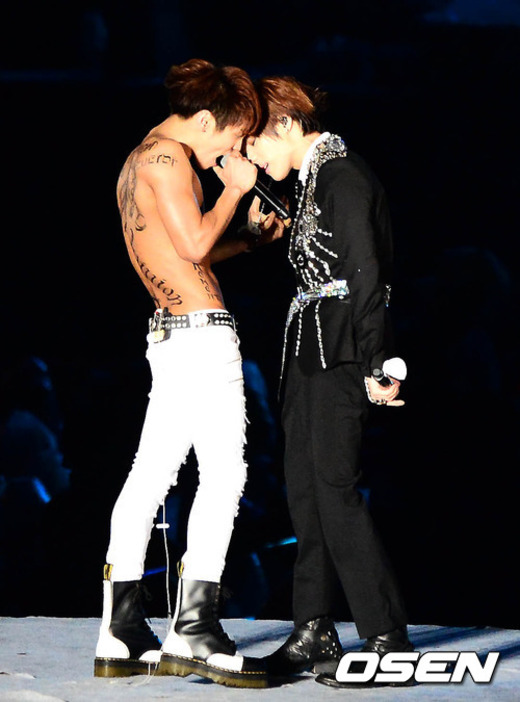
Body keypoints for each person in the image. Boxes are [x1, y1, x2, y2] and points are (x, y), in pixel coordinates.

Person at [94, 58, 271, 689]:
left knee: (151, 473)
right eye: (233, 136)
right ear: (204, 121)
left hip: (174, 333)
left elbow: (185, 248)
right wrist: (236, 190)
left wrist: (248, 239)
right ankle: (194, 628)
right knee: (225, 473)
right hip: (200, 336)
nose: (233, 151)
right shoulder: (169, 159)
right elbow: (194, 247)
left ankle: (120, 629)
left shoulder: (143, 158)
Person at [246, 76, 413, 687]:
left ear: (287, 125)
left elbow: (366, 275)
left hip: (341, 351)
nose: (251, 154)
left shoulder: (343, 175)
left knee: (335, 489)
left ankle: (386, 638)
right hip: (308, 350)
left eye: (255, 142)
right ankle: (312, 626)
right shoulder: (315, 178)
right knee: (305, 491)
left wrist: (378, 362)